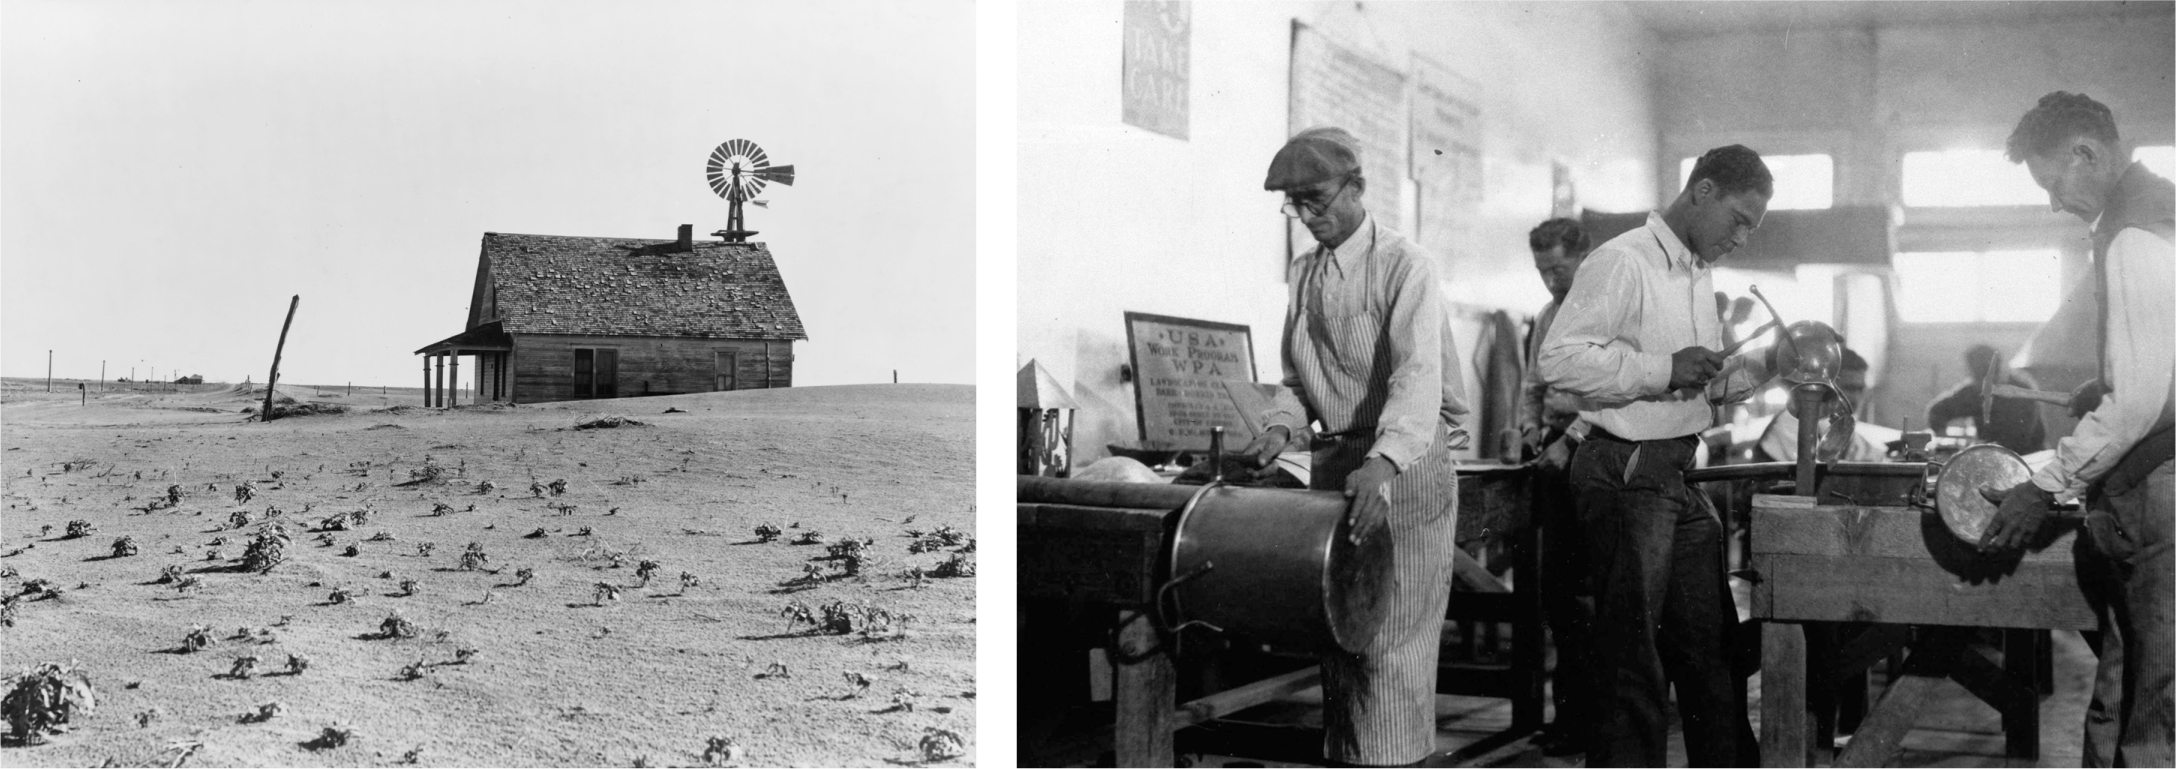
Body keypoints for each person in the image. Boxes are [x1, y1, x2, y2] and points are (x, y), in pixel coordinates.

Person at [1535, 144, 1777, 767]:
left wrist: (1771, 365)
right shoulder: (1623, 261)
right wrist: (1662, 368)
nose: (1744, 238)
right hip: (1624, 467)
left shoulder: (1696, 270)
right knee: (1631, 660)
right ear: (1703, 192)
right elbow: (1558, 360)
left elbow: (1702, 384)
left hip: (1674, 469)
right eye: (1740, 220)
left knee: (1710, 648)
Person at [1239, 126, 1469, 767]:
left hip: (1405, 467)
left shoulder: (1405, 264)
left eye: (1315, 198)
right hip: (1339, 468)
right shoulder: (1305, 273)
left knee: (1392, 644)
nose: (1306, 216)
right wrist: (1282, 427)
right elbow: (1296, 382)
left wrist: (1382, 464)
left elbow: (1417, 378)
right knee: (1342, 639)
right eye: (1294, 204)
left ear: (1357, 187)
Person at [1981, 91, 2174, 768]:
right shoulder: (2164, 209)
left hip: (2159, 491)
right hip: (2153, 484)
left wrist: (2044, 483)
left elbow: (2138, 406)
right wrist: (2119, 377)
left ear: (2085, 153)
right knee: (2125, 688)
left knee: (2154, 711)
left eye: (2052, 181)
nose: (2054, 203)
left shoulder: (2132, 232)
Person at [1521, 217, 1596, 757]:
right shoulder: (1548, 316)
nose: (1550, 280)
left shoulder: (1601, 309)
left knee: (1586, 597)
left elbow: (1608, 396)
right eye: (1542, 270)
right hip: (1549, 448)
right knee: (1559, 597)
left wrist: (1567, 442)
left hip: (1590, 449)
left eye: (1559, 268)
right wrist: (1527, 429)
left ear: (1582, 258)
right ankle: (1566, 717)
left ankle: (1588, 723)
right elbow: (1533, 385)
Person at [1755, 348, 1899, 463]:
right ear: (1828, 385)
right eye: (1849, 388)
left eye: (1859, 390)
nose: (1855, 398)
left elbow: (1873, 457)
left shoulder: (1839, 426)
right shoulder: (1794, 419)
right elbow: (1814, 473)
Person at [1924, 344, 2048, 453]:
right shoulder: (1972, 392)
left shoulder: (2021, 392)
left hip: (2028, 459)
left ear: (1998, 369)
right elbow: (1936, 412)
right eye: (1977, 375)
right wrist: (1946, 442)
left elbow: (2018, 440)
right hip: (1991, 457)